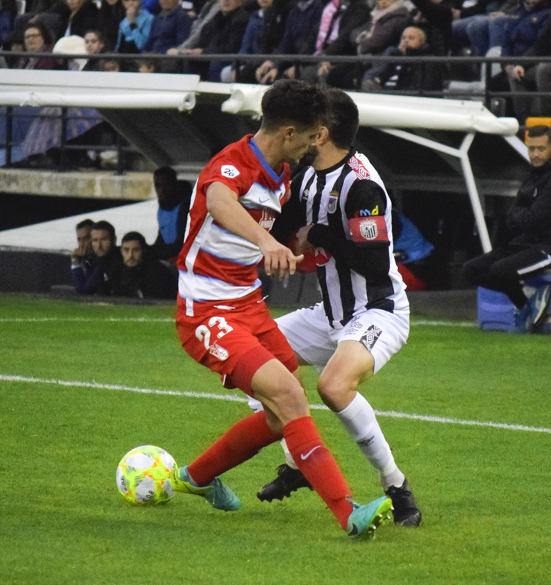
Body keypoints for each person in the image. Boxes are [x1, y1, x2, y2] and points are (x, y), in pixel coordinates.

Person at [170, 80, 394, 538]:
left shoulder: (283, 174)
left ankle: (196, 477)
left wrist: (292, 250)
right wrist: (265, 240)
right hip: (206, 312)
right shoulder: (233, 164)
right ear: (288, 132)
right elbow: (219, 201)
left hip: (248, 305)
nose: (317, 143)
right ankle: (348, 512)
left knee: (278, 414)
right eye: (312, 134)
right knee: (292, 398)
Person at [252, 88, 422, 527]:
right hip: (329, 313)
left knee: (333, 387)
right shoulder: (309, 174)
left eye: (309, 124)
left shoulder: (361, 183)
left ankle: (397, 487)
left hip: (378, 312)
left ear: (321, 133)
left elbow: (371, 259)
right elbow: (292, 227)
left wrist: (320, 236)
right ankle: (298, 463)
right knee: (249, 356)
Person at [461, 125, 551, 326]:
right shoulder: (532, 176)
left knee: (501, 271)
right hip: (525, 243)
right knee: (470, 270)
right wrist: (522, 218)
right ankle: (528, 303)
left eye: (540, 149)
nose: (535, 154)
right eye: (531, 148)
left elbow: (535, 219)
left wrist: (521, 217)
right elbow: (513, 217)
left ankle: (526, 306)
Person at [113, 231, 178, 298]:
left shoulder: (157, 273)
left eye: (136, 250)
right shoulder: (117, 271)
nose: (130, 255)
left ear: (143, 251)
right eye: (126, 250)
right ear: (121, 251)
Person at [149, 166, 191, 261]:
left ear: (174, 185)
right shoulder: (162, 209)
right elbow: (163, 237)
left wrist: (152, 251)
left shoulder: (186, 207)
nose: (162, 190)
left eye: (166, 185)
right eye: (158, 186)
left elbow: (181, 245)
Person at [71, 220, 122, 295]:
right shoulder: (91, 259)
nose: (82, 244)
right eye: (79, 240)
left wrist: (76, 264)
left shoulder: (109, 259)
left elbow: (86, 291)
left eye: (86, 239)